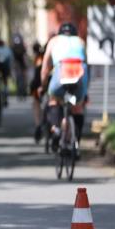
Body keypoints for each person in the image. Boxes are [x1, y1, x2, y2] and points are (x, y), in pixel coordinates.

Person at [39, 22, 89, 157]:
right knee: (77, 107)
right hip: (79, 72)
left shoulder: (54, 41)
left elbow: (45, 69)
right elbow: (86, 64)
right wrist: (85, 92)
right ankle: (76, 143)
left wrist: (43, 86)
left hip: (62, 71)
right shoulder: (80, 41)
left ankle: (55, 129)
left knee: (54, 99)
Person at [29, 41, 47, 142]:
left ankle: (38, 124)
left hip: (40, 83)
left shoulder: (39, 58)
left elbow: (37, 74)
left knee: (36, 102)